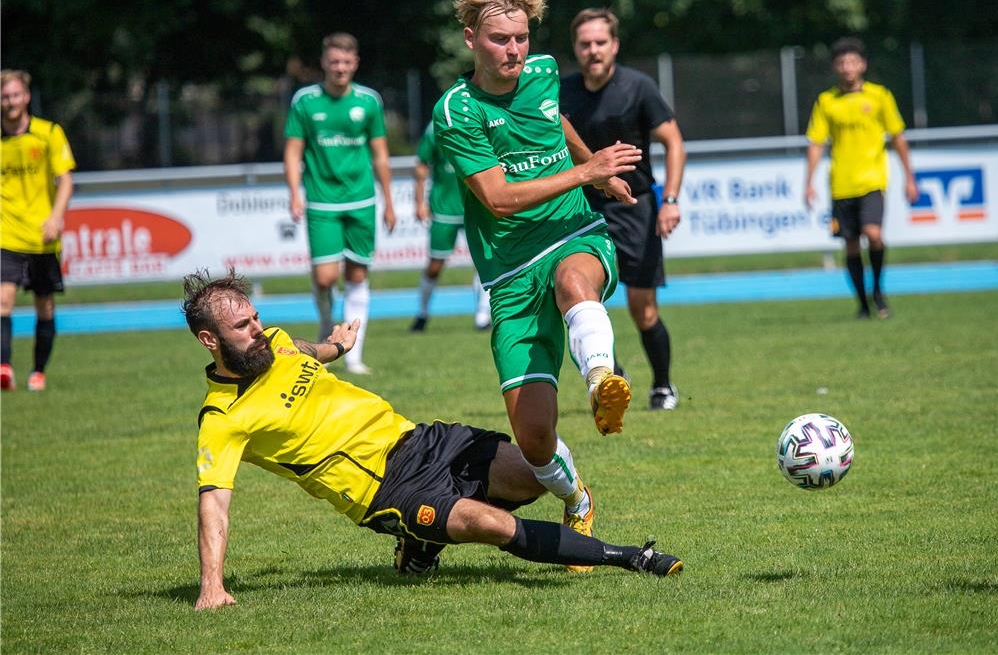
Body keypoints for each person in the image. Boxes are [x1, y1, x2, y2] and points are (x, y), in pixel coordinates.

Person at [184, 270, 681, 610]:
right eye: (242, 327)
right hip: (386, 490)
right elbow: (215, 506)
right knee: (494, 525)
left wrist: (339, 344)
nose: (258, 330)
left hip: (421, 439)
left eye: (254, 318)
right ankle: (630, 557)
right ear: (211, 340)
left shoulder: (277, 342)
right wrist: (212, 586)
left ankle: (421, 544)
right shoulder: (222, 419)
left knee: (536, 471)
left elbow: (311, 351)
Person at [433, 0, 641, 569]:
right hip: (508, 274)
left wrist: (598, 171)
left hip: (573, 233)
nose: (516, 50)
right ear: (471, 38)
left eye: (522, 37)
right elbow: (496, 199)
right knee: (533, 441)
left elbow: (558, 122)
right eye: (501, 39)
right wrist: (589, 169)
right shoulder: (458, 110)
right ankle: (576, 495)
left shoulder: (545, 71)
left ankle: (603, 378)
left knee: (575, 280)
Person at [560, 8, 688, 411]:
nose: (593, 50)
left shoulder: (638, 87)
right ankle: (609, 370)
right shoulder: (561, 91)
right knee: (581, 295)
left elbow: (675, 142)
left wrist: (669, 200)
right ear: (576, 48)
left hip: (636, 208)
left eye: (600, 42)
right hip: (581, 208)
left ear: (614, 45)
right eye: (585, 43)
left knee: (642, 307)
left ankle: (663, 386)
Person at [284, 32, 397, 375]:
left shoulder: (369, 101)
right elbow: (293, 152)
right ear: (324, 63)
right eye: (334, 62)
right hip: (321, 202)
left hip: (361, 200)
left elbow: (379, 154)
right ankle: (326, 324)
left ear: (355, 64)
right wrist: (294, 193)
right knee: (324, 278)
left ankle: (354, 355)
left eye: (346, 62)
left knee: (358, 274)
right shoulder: (305, 101)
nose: (340, 68)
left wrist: (389, 200)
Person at [803, 37, 918, 319]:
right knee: (851, 244)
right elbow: (816, 142)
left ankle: (878, 291)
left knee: (874, 234)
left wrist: (909, 177)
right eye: (842, 62)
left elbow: (898, 137)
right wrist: (808, 181)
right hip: (842, 183)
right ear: (835, 67)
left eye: (852, 61)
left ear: (863, 65)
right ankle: (863, 304)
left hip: (872, 180)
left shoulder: (879, 96)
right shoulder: (827, 101)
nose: (847, 67)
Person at [1, 69, 76, 392]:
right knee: (2, 300)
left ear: (27, 97)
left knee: (44, 306)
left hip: (42, 237)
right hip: (6, 235)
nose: (10, 102)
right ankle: (4, 367)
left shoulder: (48, 133)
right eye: (5, 96)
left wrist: (56, 217)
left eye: (15, 95)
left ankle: (38, 371)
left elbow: (66, 180)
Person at [410, 122, 492, 332]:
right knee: (435, 265)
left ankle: (482, 317)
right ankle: (422, 313)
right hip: (443, 208)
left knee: (484, 262)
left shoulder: (481, 120)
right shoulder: (435, 126)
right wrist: (419, 202)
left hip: (476, 206)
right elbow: (422, 164)